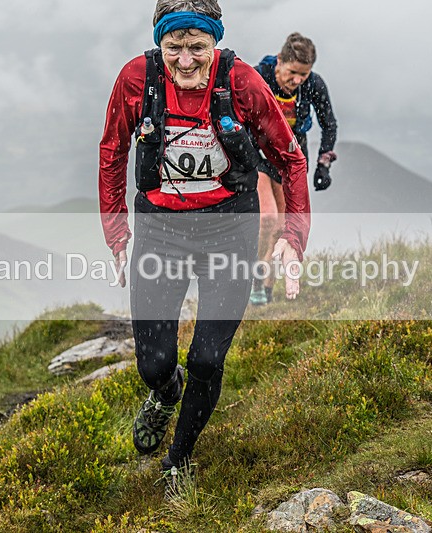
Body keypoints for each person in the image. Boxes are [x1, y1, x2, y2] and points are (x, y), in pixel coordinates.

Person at [99, 0, 310, 493]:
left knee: (208, 360)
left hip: (228, 228)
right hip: (160, 229)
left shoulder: (241, 82)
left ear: (214, 42)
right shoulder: (137, 79)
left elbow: (290, 159)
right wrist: (117, 232)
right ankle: (164, 393)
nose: (186, 60)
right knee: (154, 365)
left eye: (197, 47)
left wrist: (292, 240)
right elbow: (113, 151)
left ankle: (179, 458)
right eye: (174, 47)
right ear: (160, 44)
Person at [249, 32, 338, 306]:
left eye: (303, 74)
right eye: (292, 73)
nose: (297, 80)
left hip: (291, 156)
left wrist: (324, 164)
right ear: (279, 62)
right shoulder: (258, 77)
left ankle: (266, 287)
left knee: (284, 227)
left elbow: (329, 124)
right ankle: (255, 274)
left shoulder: (313, 84)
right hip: (258, 154)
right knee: (267, 218)